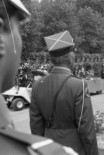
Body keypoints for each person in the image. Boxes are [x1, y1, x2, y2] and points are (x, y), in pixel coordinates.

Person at [0, 0, 77, 154]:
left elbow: (35, 122)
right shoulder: (79, 85)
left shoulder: (38, 84)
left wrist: (39, 142)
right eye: (19, 29)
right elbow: (86, 125)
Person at [29, 31, 99, 155]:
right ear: (69, 57)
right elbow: (86, 128)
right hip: (73, 148)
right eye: (73, 53)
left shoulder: (37, 85)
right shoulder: (78, 85)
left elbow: (35, 126)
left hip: (48, 148)